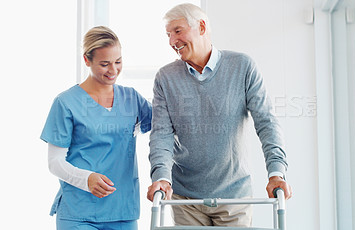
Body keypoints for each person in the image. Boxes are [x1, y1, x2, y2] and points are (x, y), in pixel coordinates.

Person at [147, 3, 293, 227]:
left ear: (202, 27)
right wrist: (161, 178)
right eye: (168, 34)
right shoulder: (166, 78)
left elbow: (267, 123)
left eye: (177, 31)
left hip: (234, 196)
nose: (171, 41)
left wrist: (277, 172)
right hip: (185, 199)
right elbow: (161, 135)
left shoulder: (242, 66)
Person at [40, 26, 152, 230]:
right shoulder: (65, 103)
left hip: (122, 211)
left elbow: (166, 126)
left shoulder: (132, 98)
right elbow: (54, 162)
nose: (113, 70)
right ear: (86, 60)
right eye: (104, 64)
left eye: (118, 62)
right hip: (79, 212)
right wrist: (87, 179)